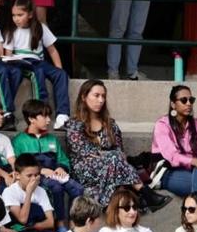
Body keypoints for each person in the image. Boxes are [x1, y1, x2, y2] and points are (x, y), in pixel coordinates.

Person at [64, 80, 167, 210]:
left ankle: (118, 201)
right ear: (84, 97)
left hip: (113, 166)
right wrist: (110, 154)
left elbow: (120, 150)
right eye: (96, 95)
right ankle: (144, 192)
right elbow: (84, 152)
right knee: (114, 158)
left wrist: (108, 155)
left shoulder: (110, 124)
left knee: (115, 159)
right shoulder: (74, 124)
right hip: (84, 169)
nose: (101, 100)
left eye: (103, 96)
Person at [13, 98, 82, 227]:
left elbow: (63, 159)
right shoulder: (19, 141)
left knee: (77, 188)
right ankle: (60, 223)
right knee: (56, 187)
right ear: (31, 119)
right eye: (44, 116)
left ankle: (74, 223)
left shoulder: (52, 139)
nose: (49, 120)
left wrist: (62, 168)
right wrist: (40, 170)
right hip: (37, 176)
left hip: (56, 174)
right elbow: (18, 164)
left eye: (49, 116)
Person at [4, 0, 71, 129]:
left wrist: (59, 69)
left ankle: (62, 116)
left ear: (30, 14)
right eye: (13, 15)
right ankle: (42, 112)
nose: (16, 18)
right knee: (38, 73)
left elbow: (52, 50)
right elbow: (8, 55)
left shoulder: (40, 27)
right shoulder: (11, 31)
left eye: (20, 15)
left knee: (61, 74)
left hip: (39, 61)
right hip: (20, 62)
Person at [153, 84, 197, 204]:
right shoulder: (162, 125)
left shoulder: (196, 124)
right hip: (168, 172)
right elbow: (171, 156)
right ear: (173, 104)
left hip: (193, 170)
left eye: (191, 100)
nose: (189, 103)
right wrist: (194, 161)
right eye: (184, 100)